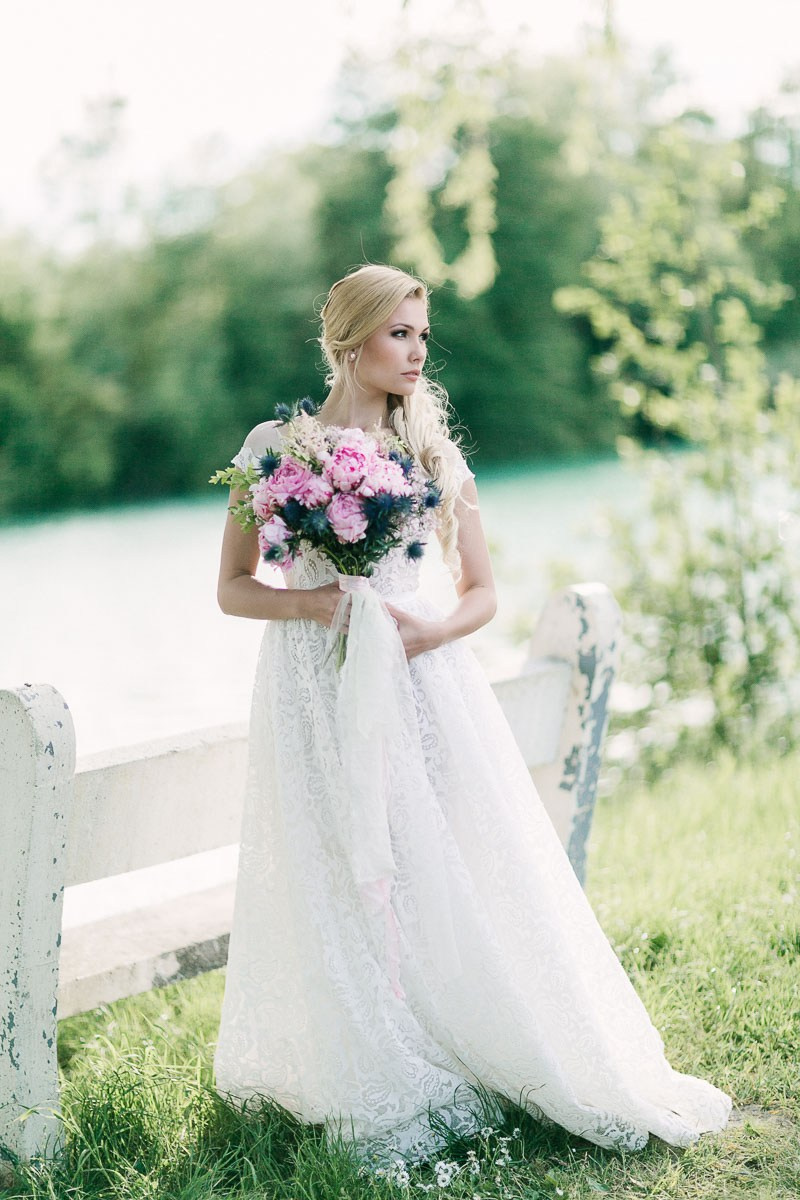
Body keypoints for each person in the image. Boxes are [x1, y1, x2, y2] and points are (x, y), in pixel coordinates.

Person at [213, 263, 731, 1163]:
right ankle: (361, 1052)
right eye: (399, 333)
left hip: (420, 682)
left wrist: (424, 634)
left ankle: (471, 1036)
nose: (417, 352)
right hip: (309, 686)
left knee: (431, 864)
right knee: (332, 863)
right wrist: (317, 607)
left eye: (422, 333)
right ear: (350, 340)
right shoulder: (274, 446)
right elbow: (232, 589)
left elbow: (483, 593)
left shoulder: (432, 452)